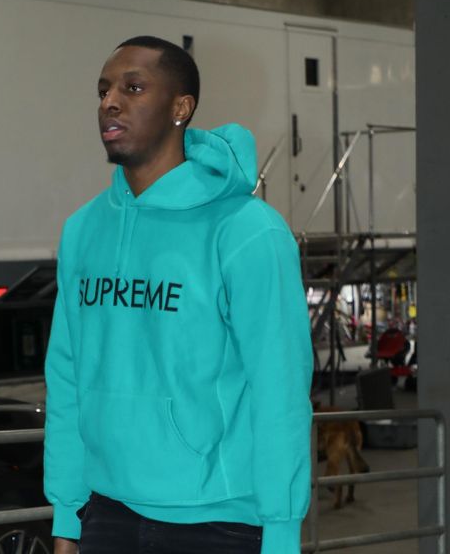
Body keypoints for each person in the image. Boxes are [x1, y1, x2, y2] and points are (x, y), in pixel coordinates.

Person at [44, 35, 313, 554]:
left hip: (219, 520)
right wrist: (67, 514)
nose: (109, 103)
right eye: (102, 90)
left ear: (180, 108)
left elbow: (279, 392)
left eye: (133, 87)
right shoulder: (83, 231)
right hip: (106, 512)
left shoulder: (248, 232)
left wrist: (281, 533)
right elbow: (67, 377)